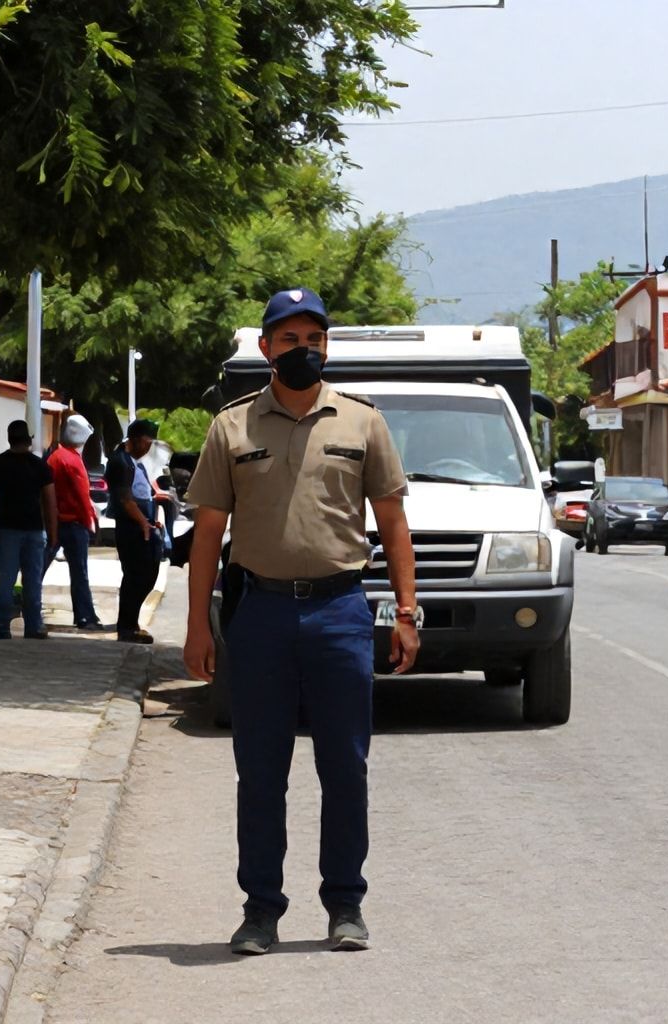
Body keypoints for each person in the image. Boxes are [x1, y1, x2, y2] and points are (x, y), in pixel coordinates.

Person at [183, 287, 420, 957]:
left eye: (313, 339)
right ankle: (260, 910)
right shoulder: (230, 427)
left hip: (341, 611)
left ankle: (345, 904)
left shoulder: (362, 422)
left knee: (345, 766)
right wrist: (199, 628)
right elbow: (207, 535)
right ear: (265, 349)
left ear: (326, 346)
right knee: (260, 771)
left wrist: (405, 612)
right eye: (288, 340)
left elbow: (393, 523)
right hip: (258, 615)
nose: (302, 350)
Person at [0, 420, 57, 640]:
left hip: (6, 530)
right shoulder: (40, 466)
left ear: (9, 438)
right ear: (29, 439)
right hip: (33, 529)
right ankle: (33, 626)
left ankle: (3, 627)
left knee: (6, 579)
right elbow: (50, 502)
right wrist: (53, 531)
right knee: (33, 580)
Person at [46, 414, 109, 630]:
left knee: (38, 569)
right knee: (80, 573)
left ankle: (29, 609)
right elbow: (83, 497)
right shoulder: (73, 461)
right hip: (73, 524)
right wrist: (90, 522)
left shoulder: (55, 457)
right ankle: (85, 616)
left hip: (54, 522)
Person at [105, 419, 164, 644]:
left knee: (147, 575)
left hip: (143, 526)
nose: (149, 449)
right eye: (148, 443)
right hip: (132, 528)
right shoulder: (120, 462)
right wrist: (142, 523)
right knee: (136, 577)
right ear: (138, 439)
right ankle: (127, 627)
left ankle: (132, 622)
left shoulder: (133, 462)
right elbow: (126, 500)